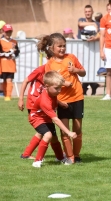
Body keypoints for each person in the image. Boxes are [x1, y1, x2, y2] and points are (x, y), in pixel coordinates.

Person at [41, 33, 86, 165]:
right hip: (62, 101)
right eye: (59, 46)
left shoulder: (71, 57)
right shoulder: (50, 64)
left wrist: (76, 70)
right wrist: (63, 83)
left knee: (77, 130)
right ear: (51, 48)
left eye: (64, 46)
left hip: (77, 97)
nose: (62, 48)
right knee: (65, 131)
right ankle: (70, 157)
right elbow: (49, 83)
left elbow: (83, 72)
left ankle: (77, 156)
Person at [29, 70, 77, 168]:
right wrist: (69, 132)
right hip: (36, 118)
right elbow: (56, 119)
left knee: (54, 139)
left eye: (60, 88)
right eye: (56, 88)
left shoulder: (52, 93)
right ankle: (37, 161)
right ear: (46, 86)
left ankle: (60, 158)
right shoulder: (44, 101)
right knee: (48, 135)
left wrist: (61, 104)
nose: (59, 90)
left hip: (46, 118)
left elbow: (54, 99)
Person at [78, 4, 100, 95]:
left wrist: (95, 38)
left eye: (89, 11)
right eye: (86, 12)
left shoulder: (97, 23)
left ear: (92, 12)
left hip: (93, 50)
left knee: (91, 67)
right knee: (82, 66)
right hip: (82, 48)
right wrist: (93, 24)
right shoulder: (81, 20)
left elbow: (99, 33)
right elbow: (80, 24)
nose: (87, 13)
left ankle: (88, 85)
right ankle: (91, 85)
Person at [0, 24, 20, 101]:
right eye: (7, 32)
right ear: (3, 32)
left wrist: (14, 54)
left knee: (9, 80)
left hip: (11, 64)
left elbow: (17, 53)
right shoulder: (0, 41)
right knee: (4, 80)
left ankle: (8, 95)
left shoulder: (14, 41)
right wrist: (9, 52)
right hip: (3, 64)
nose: (8, 33)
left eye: (10, 32)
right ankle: (4, 93)